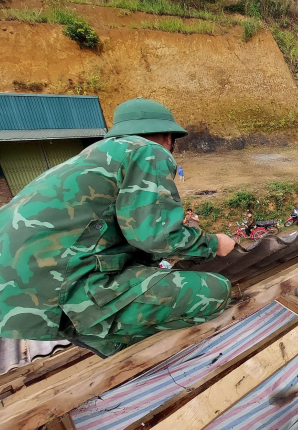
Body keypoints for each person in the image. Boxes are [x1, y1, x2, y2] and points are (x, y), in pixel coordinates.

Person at [0, 98, 236, 358]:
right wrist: (214, 244)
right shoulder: (146, 150)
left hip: (18, 302)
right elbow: (156, 236)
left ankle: (123, 346)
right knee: (215, 291)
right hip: (64, 288)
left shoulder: (93, 157)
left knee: (122, 346)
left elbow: (122, 234)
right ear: (168, 136)